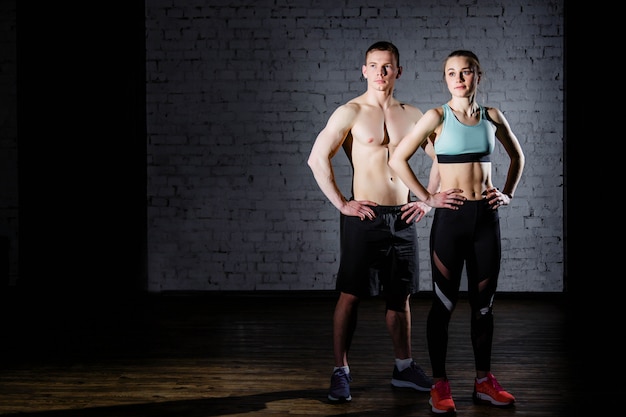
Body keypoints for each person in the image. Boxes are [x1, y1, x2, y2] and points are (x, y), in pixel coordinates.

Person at [308, 41, 458, 404]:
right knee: (350, 295)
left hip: (402, 216)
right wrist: (343, 204)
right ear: (364, 70)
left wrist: (426, 200)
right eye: (373, 65)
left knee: (400, 296)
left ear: (398, 71)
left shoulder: (412, 114)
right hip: (367, 214)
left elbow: (443, 156)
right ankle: (340, 370)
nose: (380, 72)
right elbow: (317, 158)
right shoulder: (351, 112)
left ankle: (403, 367)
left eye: (387, 66)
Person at [389, 49, 525, 413]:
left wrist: (508, 193)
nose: (459, 78)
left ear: (478, 76)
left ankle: (484, 382)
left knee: (484, 307)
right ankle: (440, 384)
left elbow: (518, 157)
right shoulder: (436, 116)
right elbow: (398, 159)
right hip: (451, 220)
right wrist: (428, 198)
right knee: (445, 304)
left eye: (466, 72)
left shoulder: (492, 116)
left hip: (485, 220)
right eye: (452, 73)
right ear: (445, 79)